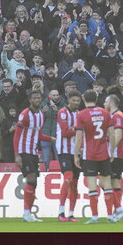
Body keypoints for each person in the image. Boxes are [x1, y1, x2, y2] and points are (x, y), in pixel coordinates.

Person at [73, 90, 113, 224]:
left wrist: (76, 155)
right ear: (96, 99)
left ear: (84, 99)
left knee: (92, 186)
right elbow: (112, 134)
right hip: (104, 153)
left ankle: (95, 217)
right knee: (107, 184)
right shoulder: (105, 113)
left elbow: (78, 138)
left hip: (89, 154)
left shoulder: (81, 114)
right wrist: (112, 151)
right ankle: (110, 216)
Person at [14, 89, 52, 222]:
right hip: (24, 151)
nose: (37, 100)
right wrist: (17, 155)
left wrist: (51, 139)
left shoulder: (41, 115)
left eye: (38, 98)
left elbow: (39, 135)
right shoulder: (25, 114)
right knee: (31, 179)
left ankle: (28, 214)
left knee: (34, 182)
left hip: (34, 152)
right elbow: (17, 135)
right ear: (30, 100)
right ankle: (26, 213)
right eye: (34, 98)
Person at [55, 90, 82, 222]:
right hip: (64, 151)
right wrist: (79, 132)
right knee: (68, 179)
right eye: (74, 100)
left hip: (76, 152)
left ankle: (71, 214)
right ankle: (61, 212)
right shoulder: (62, 112)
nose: (76, 103)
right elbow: (65, 132)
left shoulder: (79, 114)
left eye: (78, 101)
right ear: (68, 100)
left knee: (75, 184)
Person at [104, 94, 123, 222]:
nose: (104, 104)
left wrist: (110, 152)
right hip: (116, 153)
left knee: (104, 183)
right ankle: (117, 211)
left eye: (105, 102)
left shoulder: (118, 116)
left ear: (111, 103)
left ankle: (118, 209)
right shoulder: (114, 115)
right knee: (114, 183)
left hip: (116, 153)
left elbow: (118, 136)